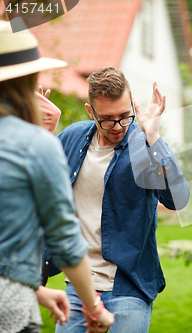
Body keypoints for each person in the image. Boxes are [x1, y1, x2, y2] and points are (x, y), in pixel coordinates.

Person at [51, 66, 190, 333]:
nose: (117, 127)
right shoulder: (72, 138)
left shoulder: (142, 143)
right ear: (90, 112)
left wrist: (153, 137)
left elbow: (178, 199)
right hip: (78, 285)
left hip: (128, 285)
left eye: (125, 116)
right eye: (107, 119)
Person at [0, 19, 114, 333]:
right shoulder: (36, 144)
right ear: (26, 79)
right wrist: (92, 307)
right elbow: (65, 238)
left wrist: (37, 290)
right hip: (9, 307)